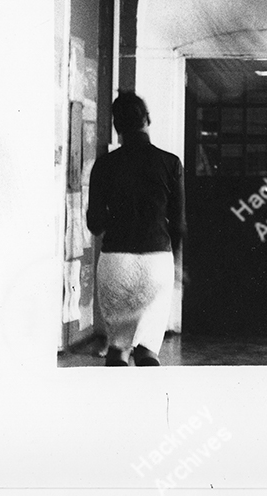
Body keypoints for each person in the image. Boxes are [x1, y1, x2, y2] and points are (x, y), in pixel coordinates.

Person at [86, 91, 186, 367]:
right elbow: (178, 223)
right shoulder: (171, 163)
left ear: (117, 127)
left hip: (116, 261)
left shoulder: (104, 165)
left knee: (117, 350)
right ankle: (149, 406)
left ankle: (117, 407)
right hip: (157, 262)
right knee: (147, 351)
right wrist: (176, 263)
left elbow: (94, 223)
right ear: (148, 119)